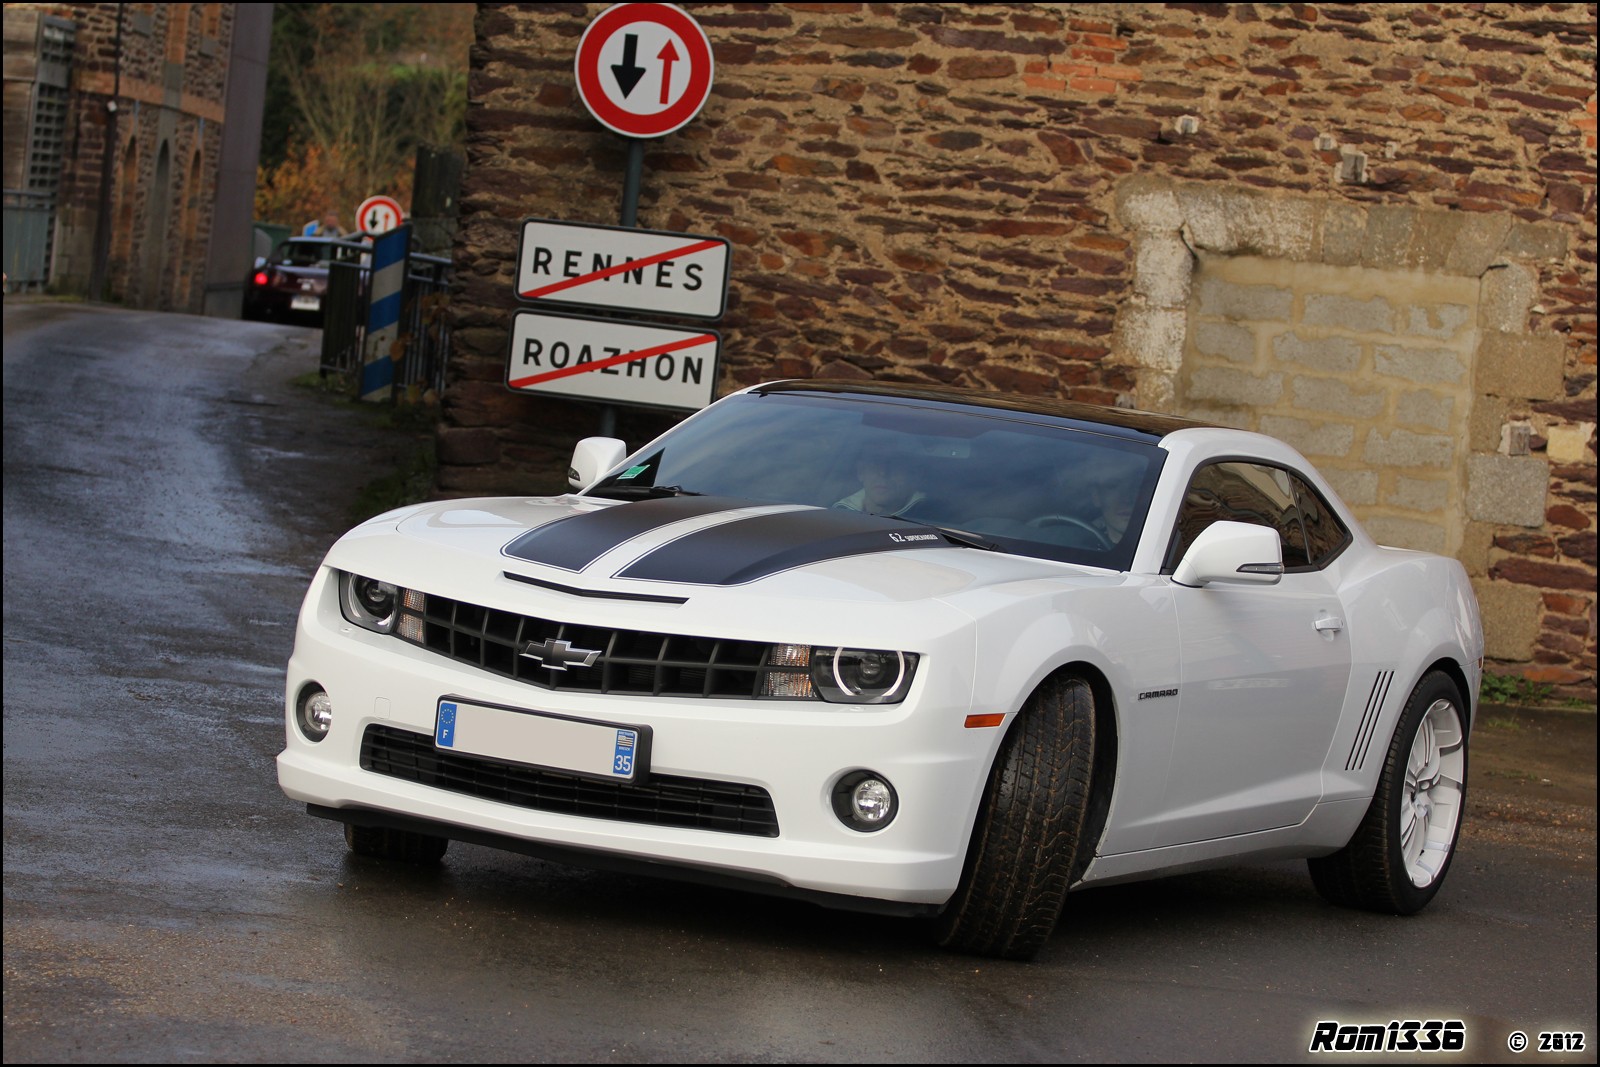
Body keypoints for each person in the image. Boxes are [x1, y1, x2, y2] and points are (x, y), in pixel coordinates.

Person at [834, 442, 926, 517]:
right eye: (875, 463)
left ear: (915, 475)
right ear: (861, 472)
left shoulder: (932, 517)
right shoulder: (836, 514)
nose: (883, 473)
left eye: (894, 464)